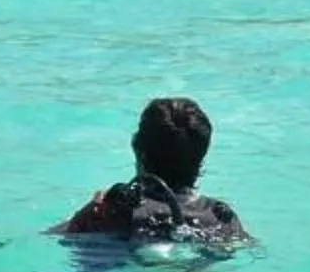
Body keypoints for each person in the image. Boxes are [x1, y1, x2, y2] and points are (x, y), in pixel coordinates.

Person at [57, 97, 249, 253]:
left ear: (138, 151)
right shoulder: (222, 219)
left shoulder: (109, 213)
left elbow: (54, 239)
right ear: (201, 158)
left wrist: (87, 215)